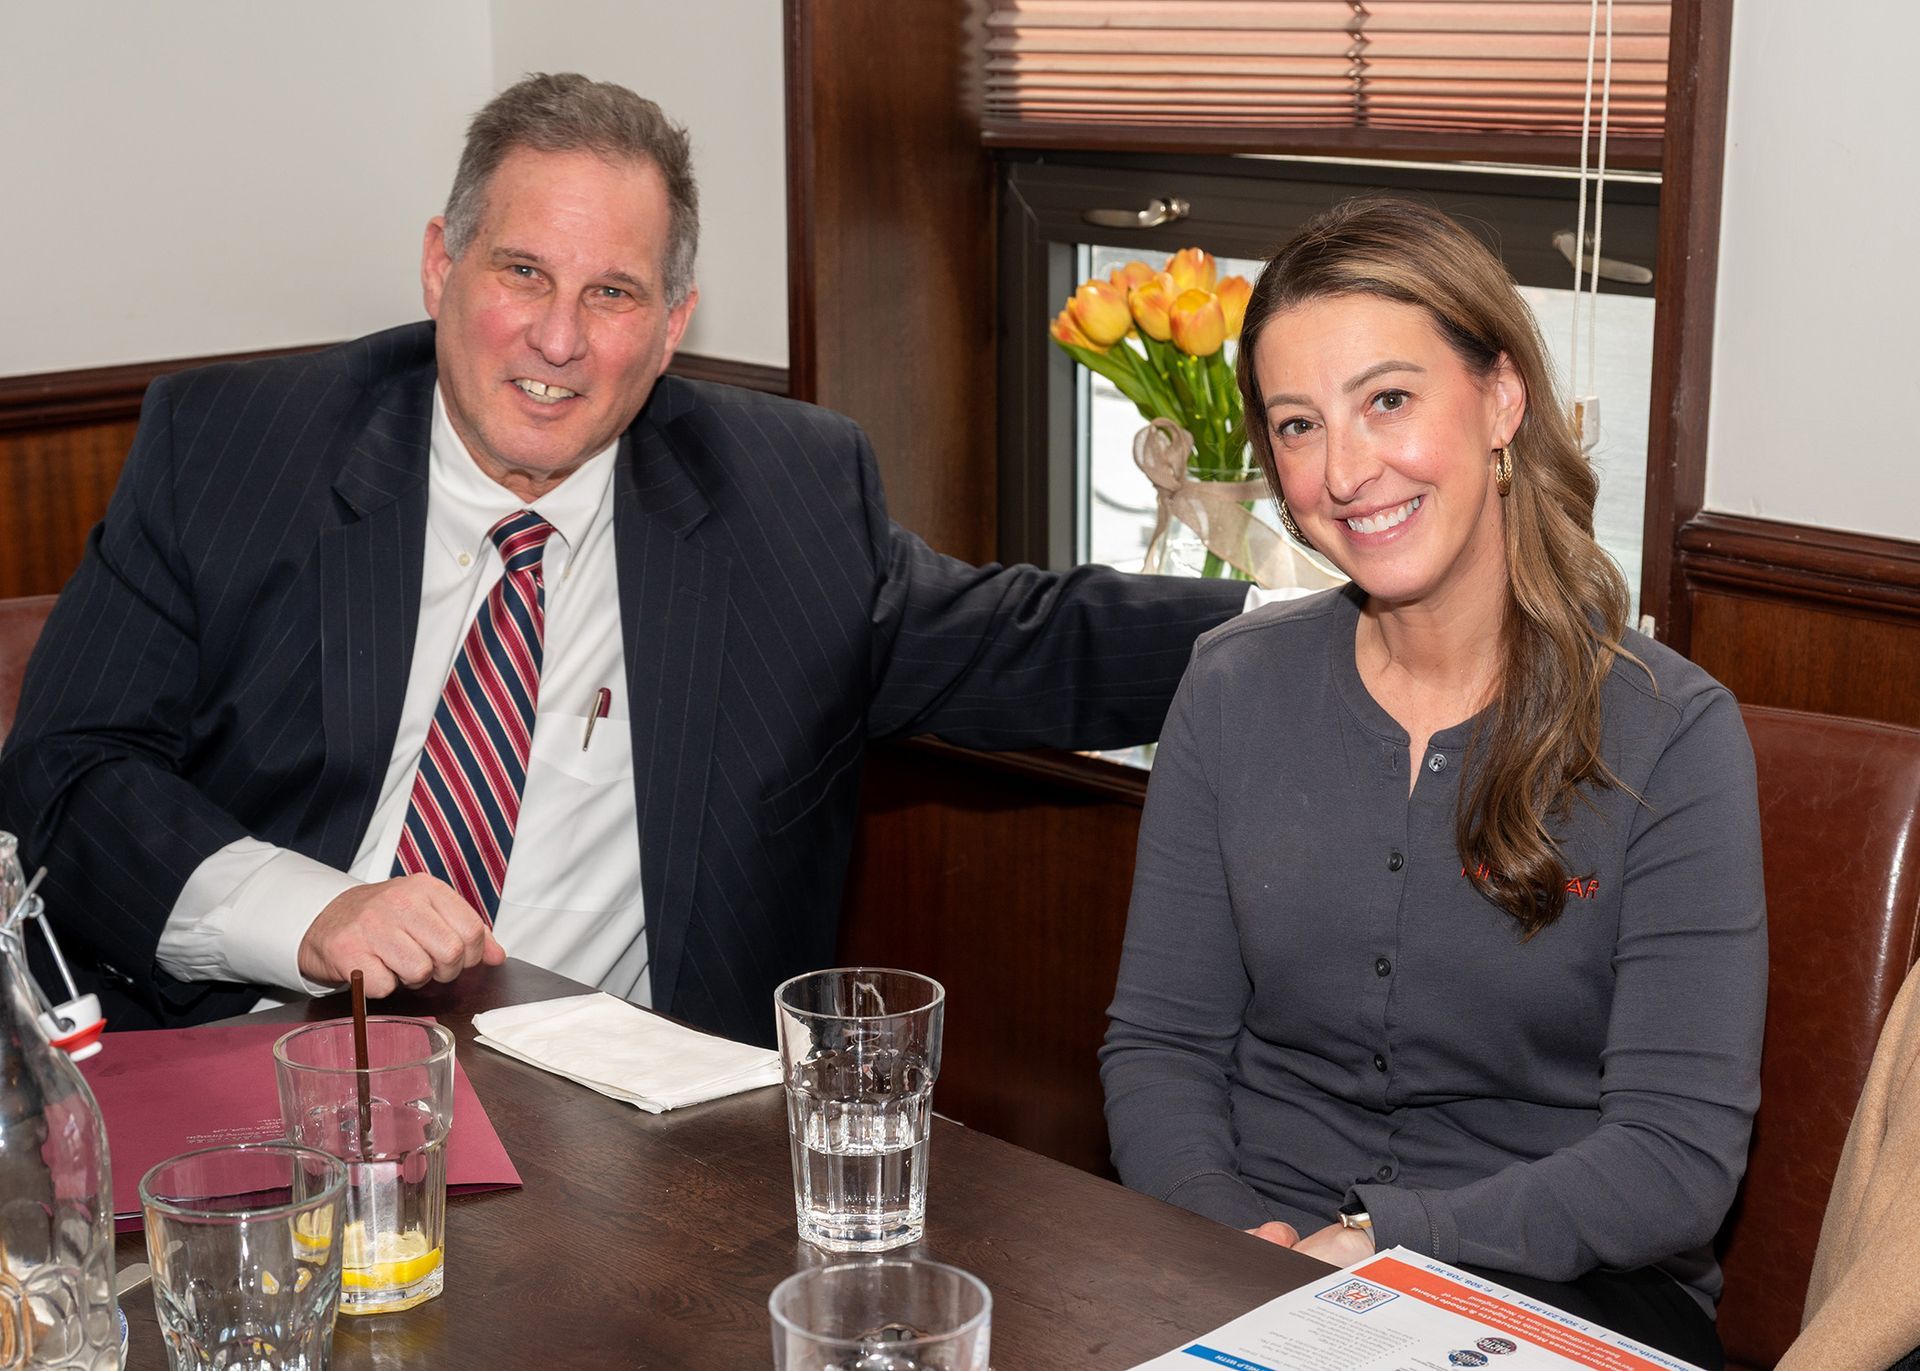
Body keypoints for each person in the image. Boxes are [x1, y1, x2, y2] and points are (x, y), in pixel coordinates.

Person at [0, 73, 1247, 1045]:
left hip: (626, 1148)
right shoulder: (235, 452)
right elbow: (67, 770)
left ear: (672, 327)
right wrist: (308, 914)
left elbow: (1036, 637)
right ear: (443, 264)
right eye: (523, 271)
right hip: (263, 1074)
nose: (557, 336)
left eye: (612, 294)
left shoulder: (787, 501)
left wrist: (1375, 615)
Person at [1099, 198, 1765, 1369]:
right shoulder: (1230, 686)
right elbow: (1160, 1047)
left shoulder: (1673, 733)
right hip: (1256, 1260)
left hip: (1564, 1292)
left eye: (1388, 401)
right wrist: (1238, 1239)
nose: (1346, 472)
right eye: (1300, 426)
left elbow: (1674, 1159)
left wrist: (1381, 1245)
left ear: (1502, 400)